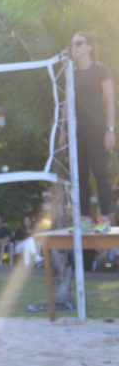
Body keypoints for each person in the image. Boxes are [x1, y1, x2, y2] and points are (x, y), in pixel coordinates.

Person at [70, 32, 115, 233]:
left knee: (100, 173)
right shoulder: (70, 72)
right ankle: (85, 219)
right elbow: (67, 102)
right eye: (73, 44)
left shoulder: (101, 71)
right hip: (76, 131)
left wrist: (110, 130)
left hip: (97, 129)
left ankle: (105, 218)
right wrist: (62, 131)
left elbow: (110, 102)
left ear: (89, 46)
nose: (75, 47)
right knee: (80, 176)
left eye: (79, 43)